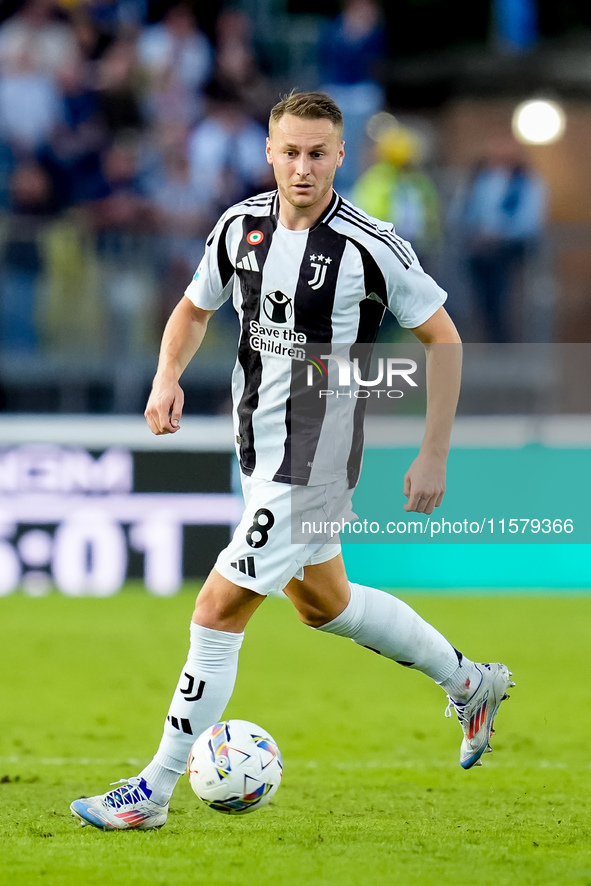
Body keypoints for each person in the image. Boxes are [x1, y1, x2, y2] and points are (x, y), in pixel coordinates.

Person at [70, 91, 514, 831]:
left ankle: (153, 789)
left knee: (215, 611)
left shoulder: (370, 245)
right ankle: (470, 681)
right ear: (269, 153)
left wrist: (431, 453)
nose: (302, 167)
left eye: (317, 153)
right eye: (290, 152)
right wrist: (166, 376)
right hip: (259, 450)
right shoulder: (238, 226)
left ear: (341, 157)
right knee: (324, 604)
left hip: (314, 462)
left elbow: (445, 339)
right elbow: (192, 307)